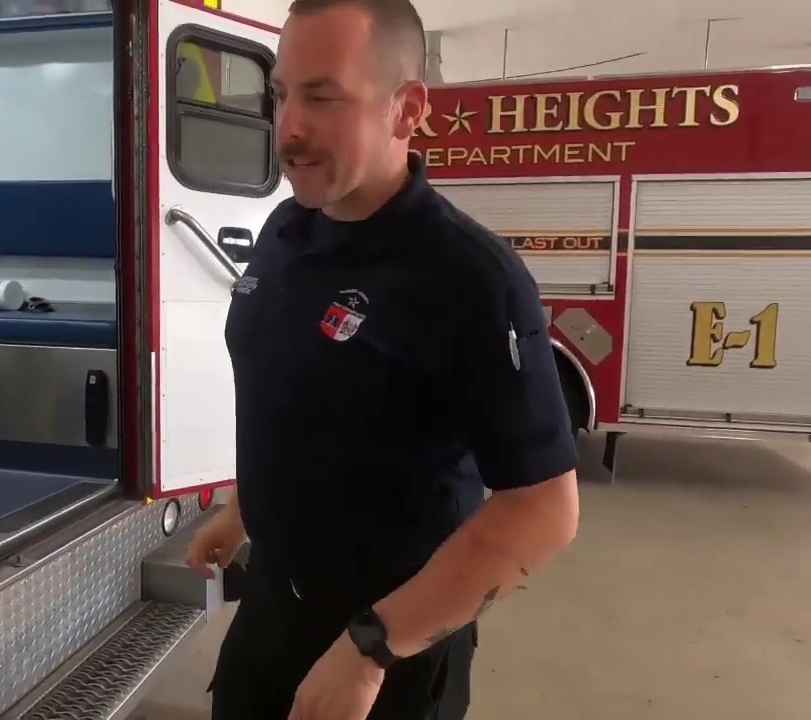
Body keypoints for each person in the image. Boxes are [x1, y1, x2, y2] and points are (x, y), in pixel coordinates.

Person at [185, 0, 581, 718]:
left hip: (388, 648)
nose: (290, 127)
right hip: (271, 612)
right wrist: (241, 510)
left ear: (408, 109)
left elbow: (543, 510)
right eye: (280, 94)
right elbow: (286, 393)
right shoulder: (284, 232)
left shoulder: (469, 279)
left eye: (323, 96)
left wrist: (370, 649)